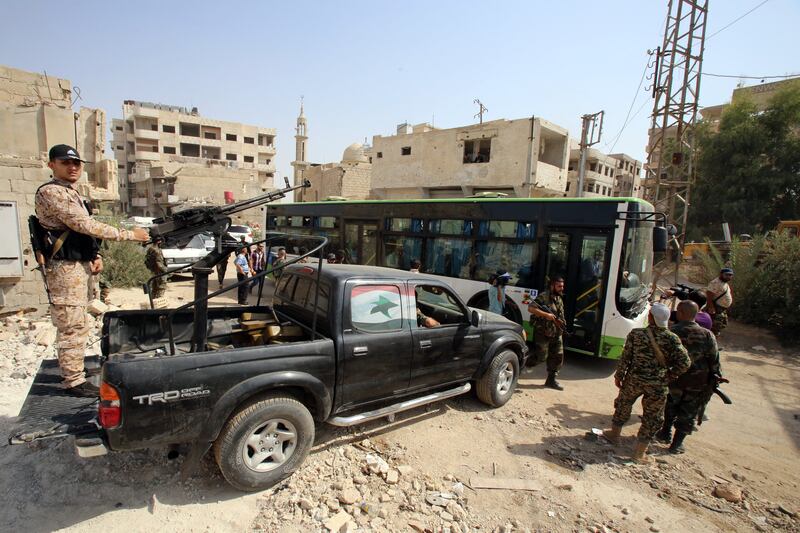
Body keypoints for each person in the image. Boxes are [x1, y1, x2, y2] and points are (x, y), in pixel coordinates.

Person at [35, 144, 149, 396]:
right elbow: (83, 224)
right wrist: (129, 234)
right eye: (66, 162)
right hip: (65, 270)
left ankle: (74, 369)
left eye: (76, 163)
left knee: (81, 321)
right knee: (72, 324)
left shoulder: (71, 192)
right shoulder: (52, 192)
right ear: (51, 164)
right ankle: (72, 381)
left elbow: (77, 234)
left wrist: (94, 254)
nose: (73, 167)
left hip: (78, 266)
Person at [602, 303, 690, 463]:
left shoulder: (636, 334)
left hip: (633, 380)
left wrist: (619, 376)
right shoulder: (672, 338)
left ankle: (614, 435)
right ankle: (639, 453)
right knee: (652, 416)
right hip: (657, 384)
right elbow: (685, 362)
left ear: (650, 317)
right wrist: (669, 375)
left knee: (623, 405)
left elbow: (625, 357)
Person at [655, 300, 721, 454]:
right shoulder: (707, 335)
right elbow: (714, 360)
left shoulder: (671, 332)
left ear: (681, 313)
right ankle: (677, 444)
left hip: (674, 378)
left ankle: (665, 432)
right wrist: (714, 378)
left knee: (670, 405)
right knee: (688, 412)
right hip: (697, 382)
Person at [528, 275, 567, 390]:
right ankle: (522, 364)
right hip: (543, 331)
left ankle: (551, 380)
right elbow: (531, 308)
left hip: (556, 332)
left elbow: (560, 314)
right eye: (559, 286)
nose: (561, 288)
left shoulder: (559, 298)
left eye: (562, 286)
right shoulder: (543, 296)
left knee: (558, 356)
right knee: (541, 357)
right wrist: (546, 315)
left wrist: (562, 324)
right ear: (552, 286)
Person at [705, 268, 733, 337]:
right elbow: (709, 295)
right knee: (714, 329)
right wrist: (711, 307)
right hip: (716, 308)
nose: (729, 276)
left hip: (722, 309)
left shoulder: (724, 283)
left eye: (730, 275)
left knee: (720, 326)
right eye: (727, 275)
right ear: (721, 274)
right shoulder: (716, 283)